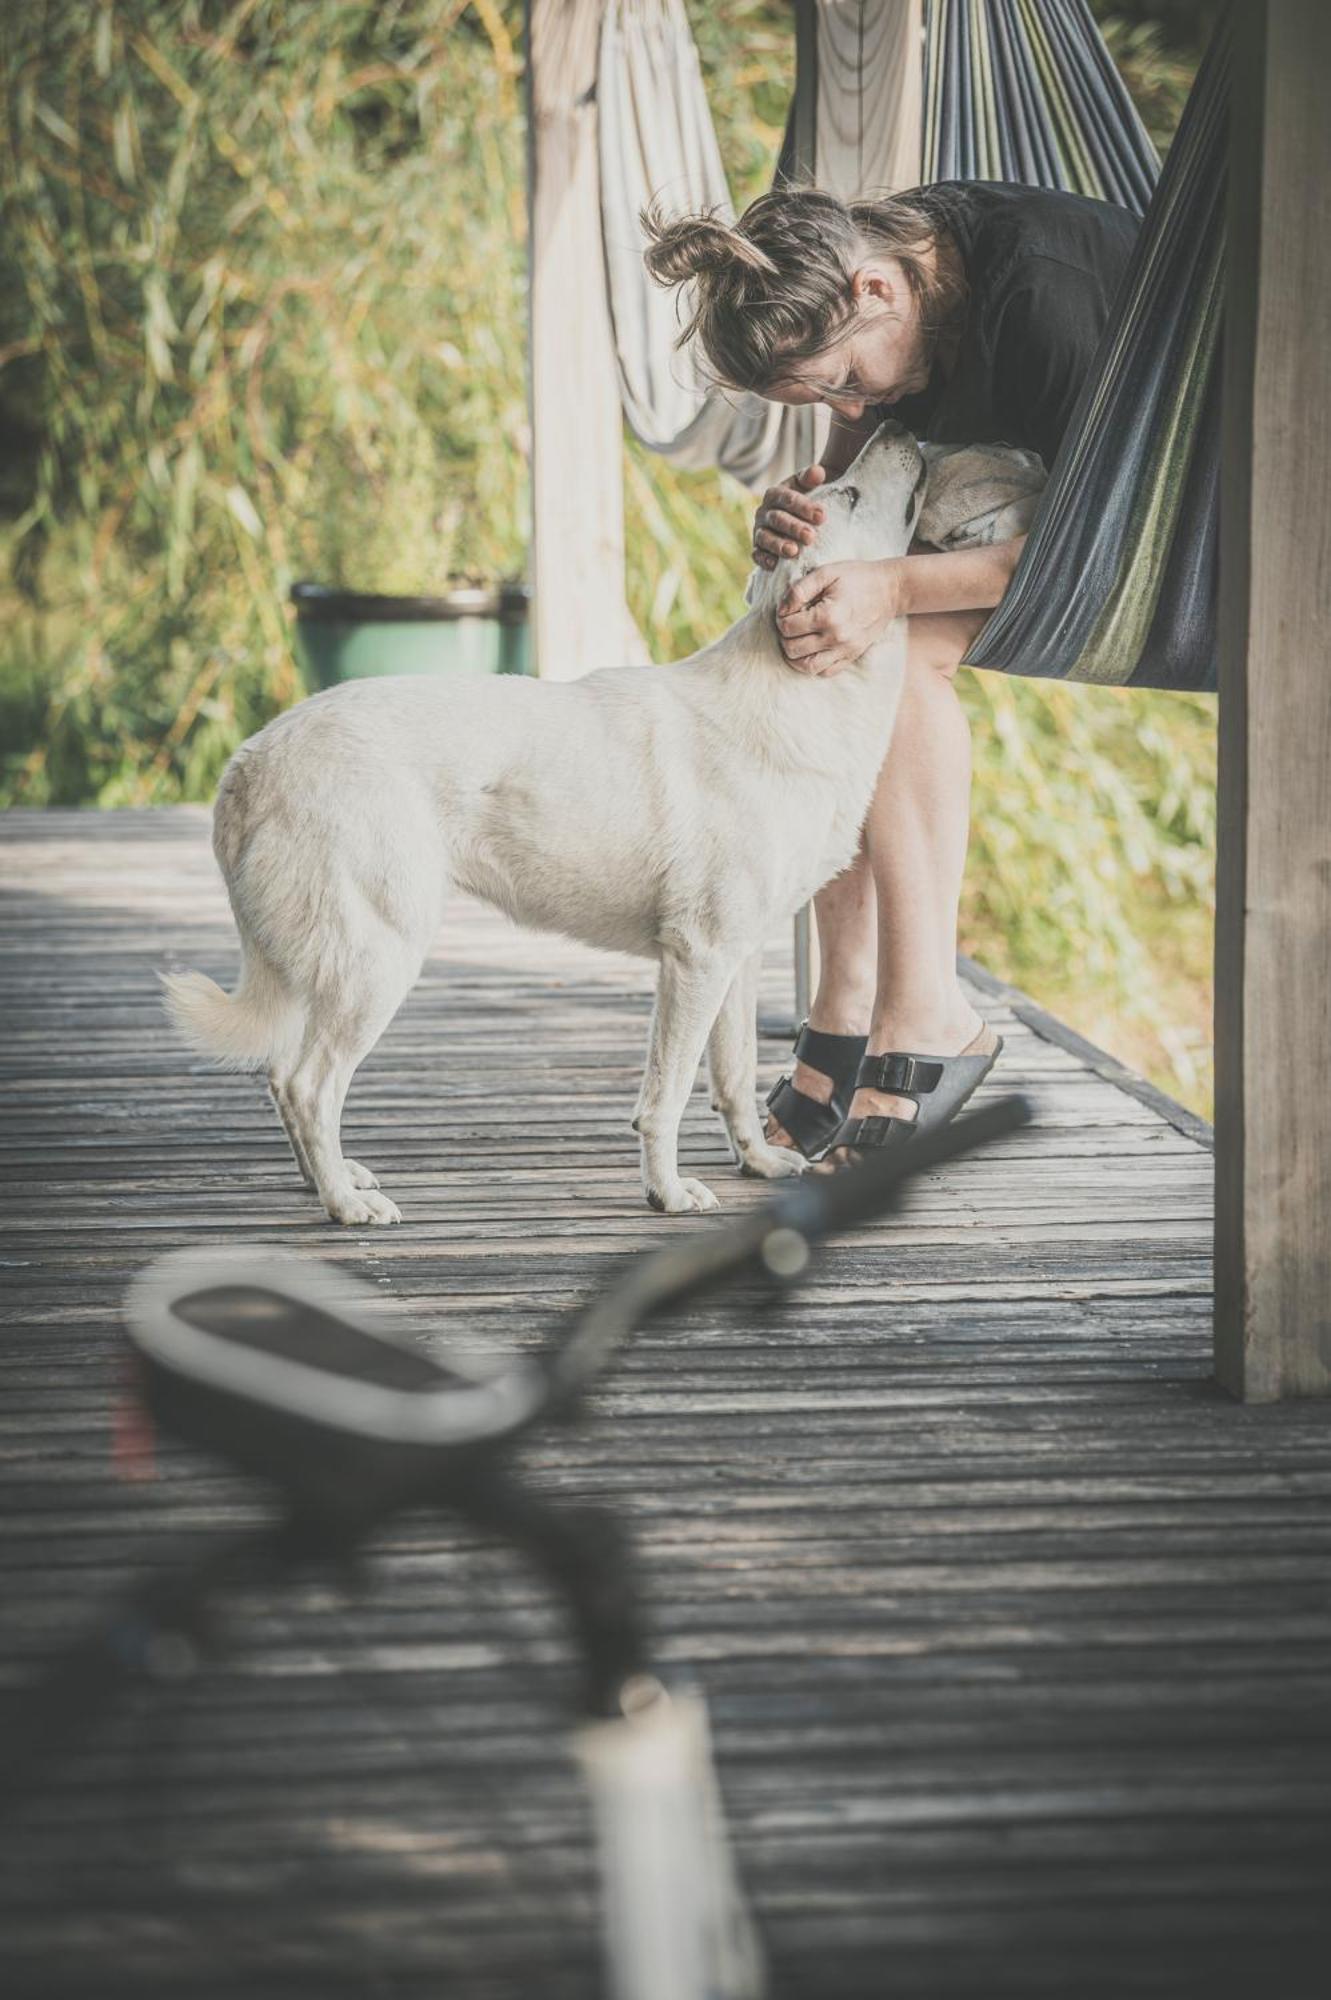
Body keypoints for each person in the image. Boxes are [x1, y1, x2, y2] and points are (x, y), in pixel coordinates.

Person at [644, 181, 1138, 1162]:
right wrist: (793, 519)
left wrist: (892, 586)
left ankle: (928, 1016)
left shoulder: (1039, 301)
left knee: (893, 656)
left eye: (845, 380)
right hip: (998, 506)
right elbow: (849, 477)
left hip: (1149, 530)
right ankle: (843, 1004)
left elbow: (1100, 554)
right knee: (819, 633)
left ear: (874, 287)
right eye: (822, 399)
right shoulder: (876, 276)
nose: (850, 405)